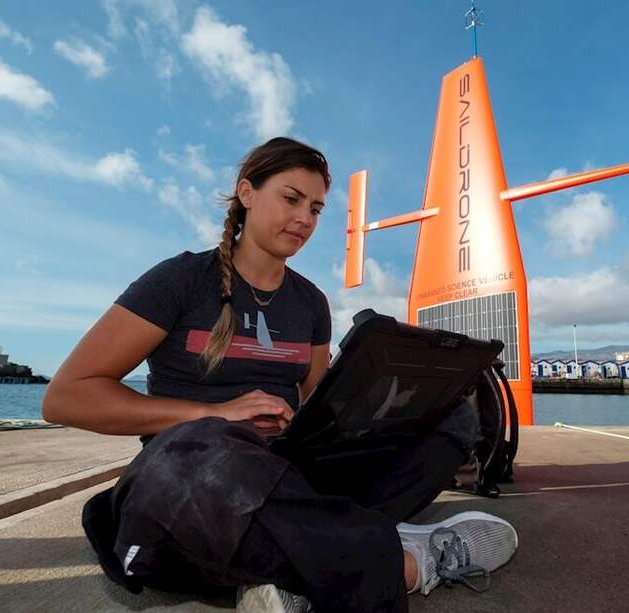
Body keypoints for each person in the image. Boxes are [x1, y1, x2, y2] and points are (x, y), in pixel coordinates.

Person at [42, 137, 518, 613]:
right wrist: (216, 414)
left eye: (315, 209)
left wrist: (386, 405)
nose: (304, 220)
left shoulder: (310, 303)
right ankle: (408, 560)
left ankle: (297, 566)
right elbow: (66, 396)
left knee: (452, 415)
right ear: (246, 193)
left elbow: (321, 406)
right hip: (201, 474)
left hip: (290, 471)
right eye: (291, 199)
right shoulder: (180, 281)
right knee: (192, 454)